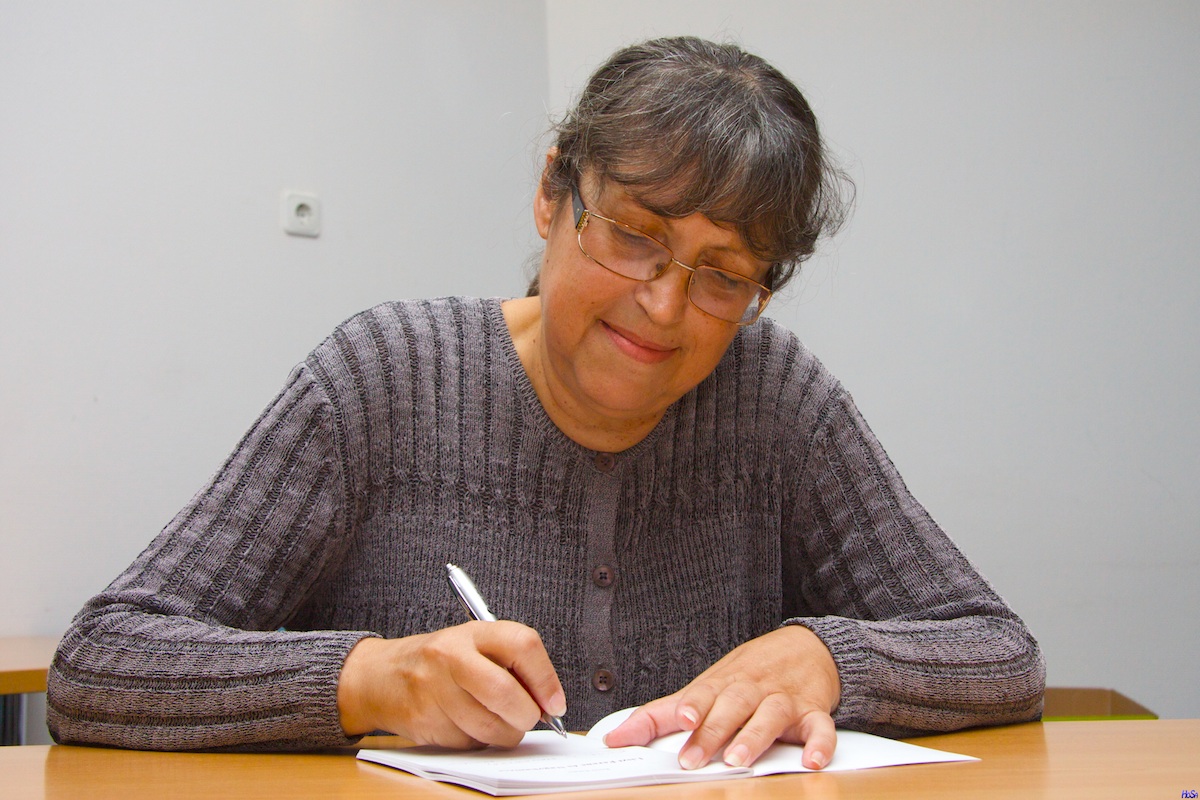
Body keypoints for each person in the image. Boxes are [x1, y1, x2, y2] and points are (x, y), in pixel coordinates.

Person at [47, 36, 1044, 769]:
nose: (665, 305)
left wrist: (826, 656)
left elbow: (999, 650)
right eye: (635, 236)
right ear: (552, 194)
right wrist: (368, 681)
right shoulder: (384, 380)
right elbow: (100, 664)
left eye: (722, 276)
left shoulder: (775, 401)